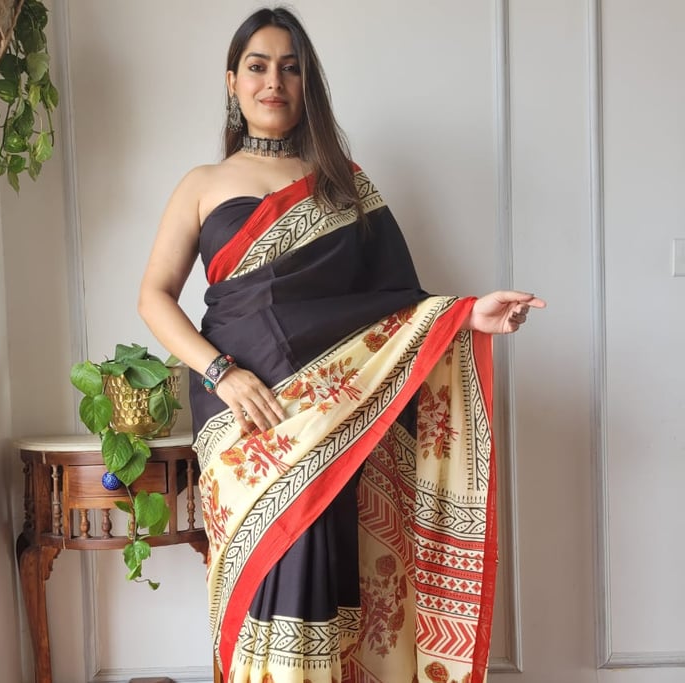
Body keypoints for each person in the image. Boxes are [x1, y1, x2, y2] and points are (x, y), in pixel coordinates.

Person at [138, 7, 545, 683]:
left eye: (290, 68)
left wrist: (469, 315)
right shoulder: (201, 185)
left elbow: (395, 306)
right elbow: (154, 296)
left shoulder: (345, 184)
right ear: (232, 81)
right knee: (258, 572)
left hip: (331, 416)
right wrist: (221, 372)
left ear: (308, 83)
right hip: (241, 415)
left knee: (324, 566)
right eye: (258, 67)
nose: (274, 82)